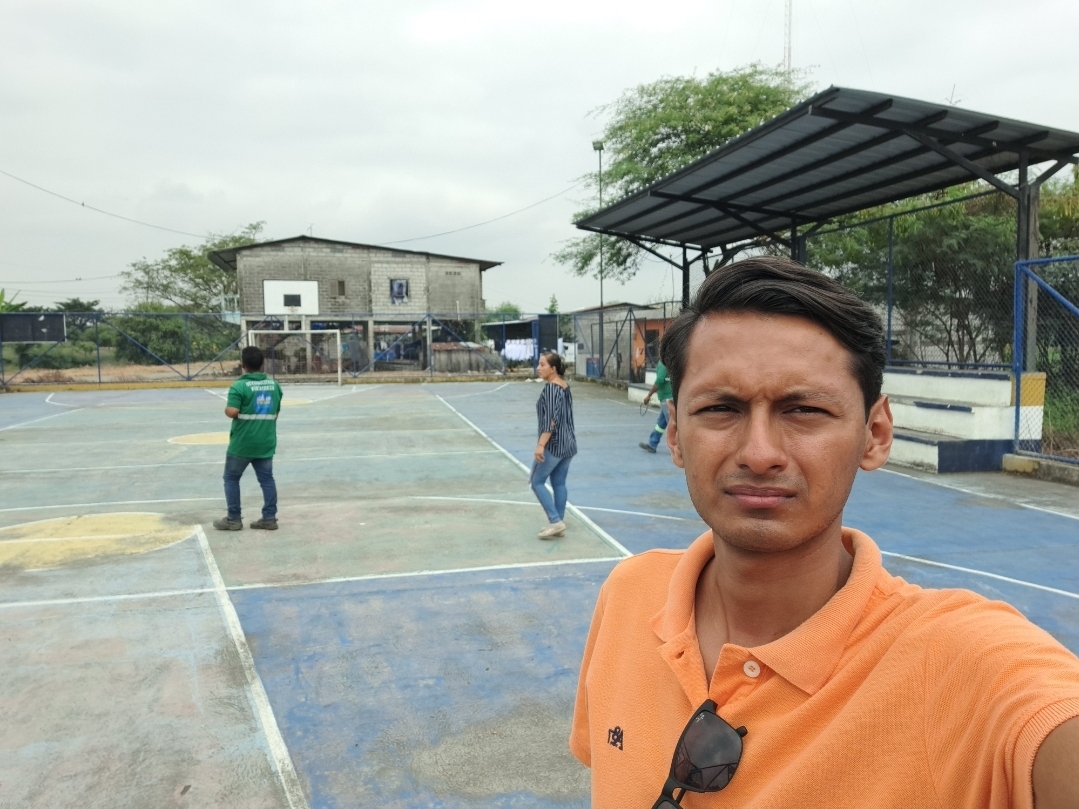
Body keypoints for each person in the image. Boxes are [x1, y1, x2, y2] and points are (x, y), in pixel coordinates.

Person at [569, 257, 1079, 808]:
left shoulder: (961, 664)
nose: (759, 453)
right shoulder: (627, 594)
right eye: (720, 408)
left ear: (875, 434)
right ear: (674, 433)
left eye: (804, 410)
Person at [213, 346, 283, 531]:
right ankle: (269, 518)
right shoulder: (274, 385)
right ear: (262, 364)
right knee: (267, 479)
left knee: (231, 478)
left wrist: (229, 410)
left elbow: (232, 411)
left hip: (242, 443)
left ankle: (233, 519)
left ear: (243, 365)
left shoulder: (239, 386)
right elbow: (276, 412)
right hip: (265, 441)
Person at [531, 351, 577, 539]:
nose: (538, 368)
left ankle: (555, 520)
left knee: (536, 481)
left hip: (554, 445)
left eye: (542, 364)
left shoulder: (551, 389)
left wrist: (541, 445)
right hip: (568, 443)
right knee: (559, 483)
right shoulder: (564, 386)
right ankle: (559, 523)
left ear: (553, 369)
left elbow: (551, 421)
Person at [639, 359, 673, 454]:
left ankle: (679, 450)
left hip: (666, 398)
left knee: (673, 424)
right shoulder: (671, 360)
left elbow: (659, 380)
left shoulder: (663, 363)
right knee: (661, 423)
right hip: (670, 396)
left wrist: (649, 395)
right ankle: (652, 444)